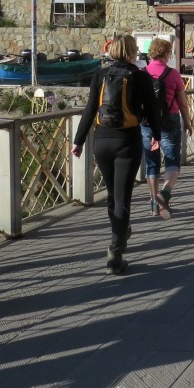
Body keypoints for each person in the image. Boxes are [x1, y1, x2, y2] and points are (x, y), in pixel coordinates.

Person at [72, 34, 163, 274]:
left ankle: (120, 232)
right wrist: (156, 135)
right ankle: (115, 251)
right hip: (127, 141)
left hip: (101, 141)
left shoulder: (100, 75)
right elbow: (152, 110)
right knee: (123, 197)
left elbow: (90, 110)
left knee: (112, 194)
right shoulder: (140, 76)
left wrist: (78, 141)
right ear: (133, 51)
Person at [143, 38, 193, 218]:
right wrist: (188, 122)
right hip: (169, 120)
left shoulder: (142, 74)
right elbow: (183, 103)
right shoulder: (173, 74)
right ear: (167, 54)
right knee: (172, 161)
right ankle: (164, 194)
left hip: (147, 122)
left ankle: (153, 204)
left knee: (152, 162)